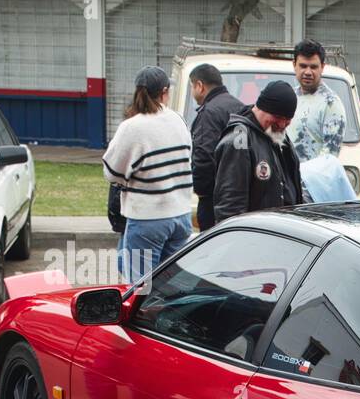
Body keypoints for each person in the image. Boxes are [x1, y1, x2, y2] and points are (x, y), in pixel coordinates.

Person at [102, 66, 193, 284]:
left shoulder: (132, 127)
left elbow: (111, 172)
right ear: (164, 91)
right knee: (173, 284)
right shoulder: (178, 120)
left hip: (147, 218)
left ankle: (141, 318)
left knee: (140, 285)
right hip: (181, 214)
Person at [212, 80, 303, 223]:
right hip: (256, 235)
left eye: (287, 120)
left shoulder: (276, 134)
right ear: (261, 108)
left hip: (282, 231)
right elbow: (230, 206)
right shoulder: (239, 139)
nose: (282, 124)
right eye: (277, 117)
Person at [286, 39, 353, 204]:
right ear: (294, 65)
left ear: (322, 67)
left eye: (313, 67)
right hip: (287, 185)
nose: (308, 72)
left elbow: (328, 158)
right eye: (303, 66)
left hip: (312, 193)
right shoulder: (289, 98)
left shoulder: (331, 103)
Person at [188, 63, 242, 231]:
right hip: (238, 195)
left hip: (214, 199)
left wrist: (200, 190)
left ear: (199, 86)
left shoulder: (209, 113)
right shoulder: (240, 106)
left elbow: (204, 156)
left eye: (192, 86)